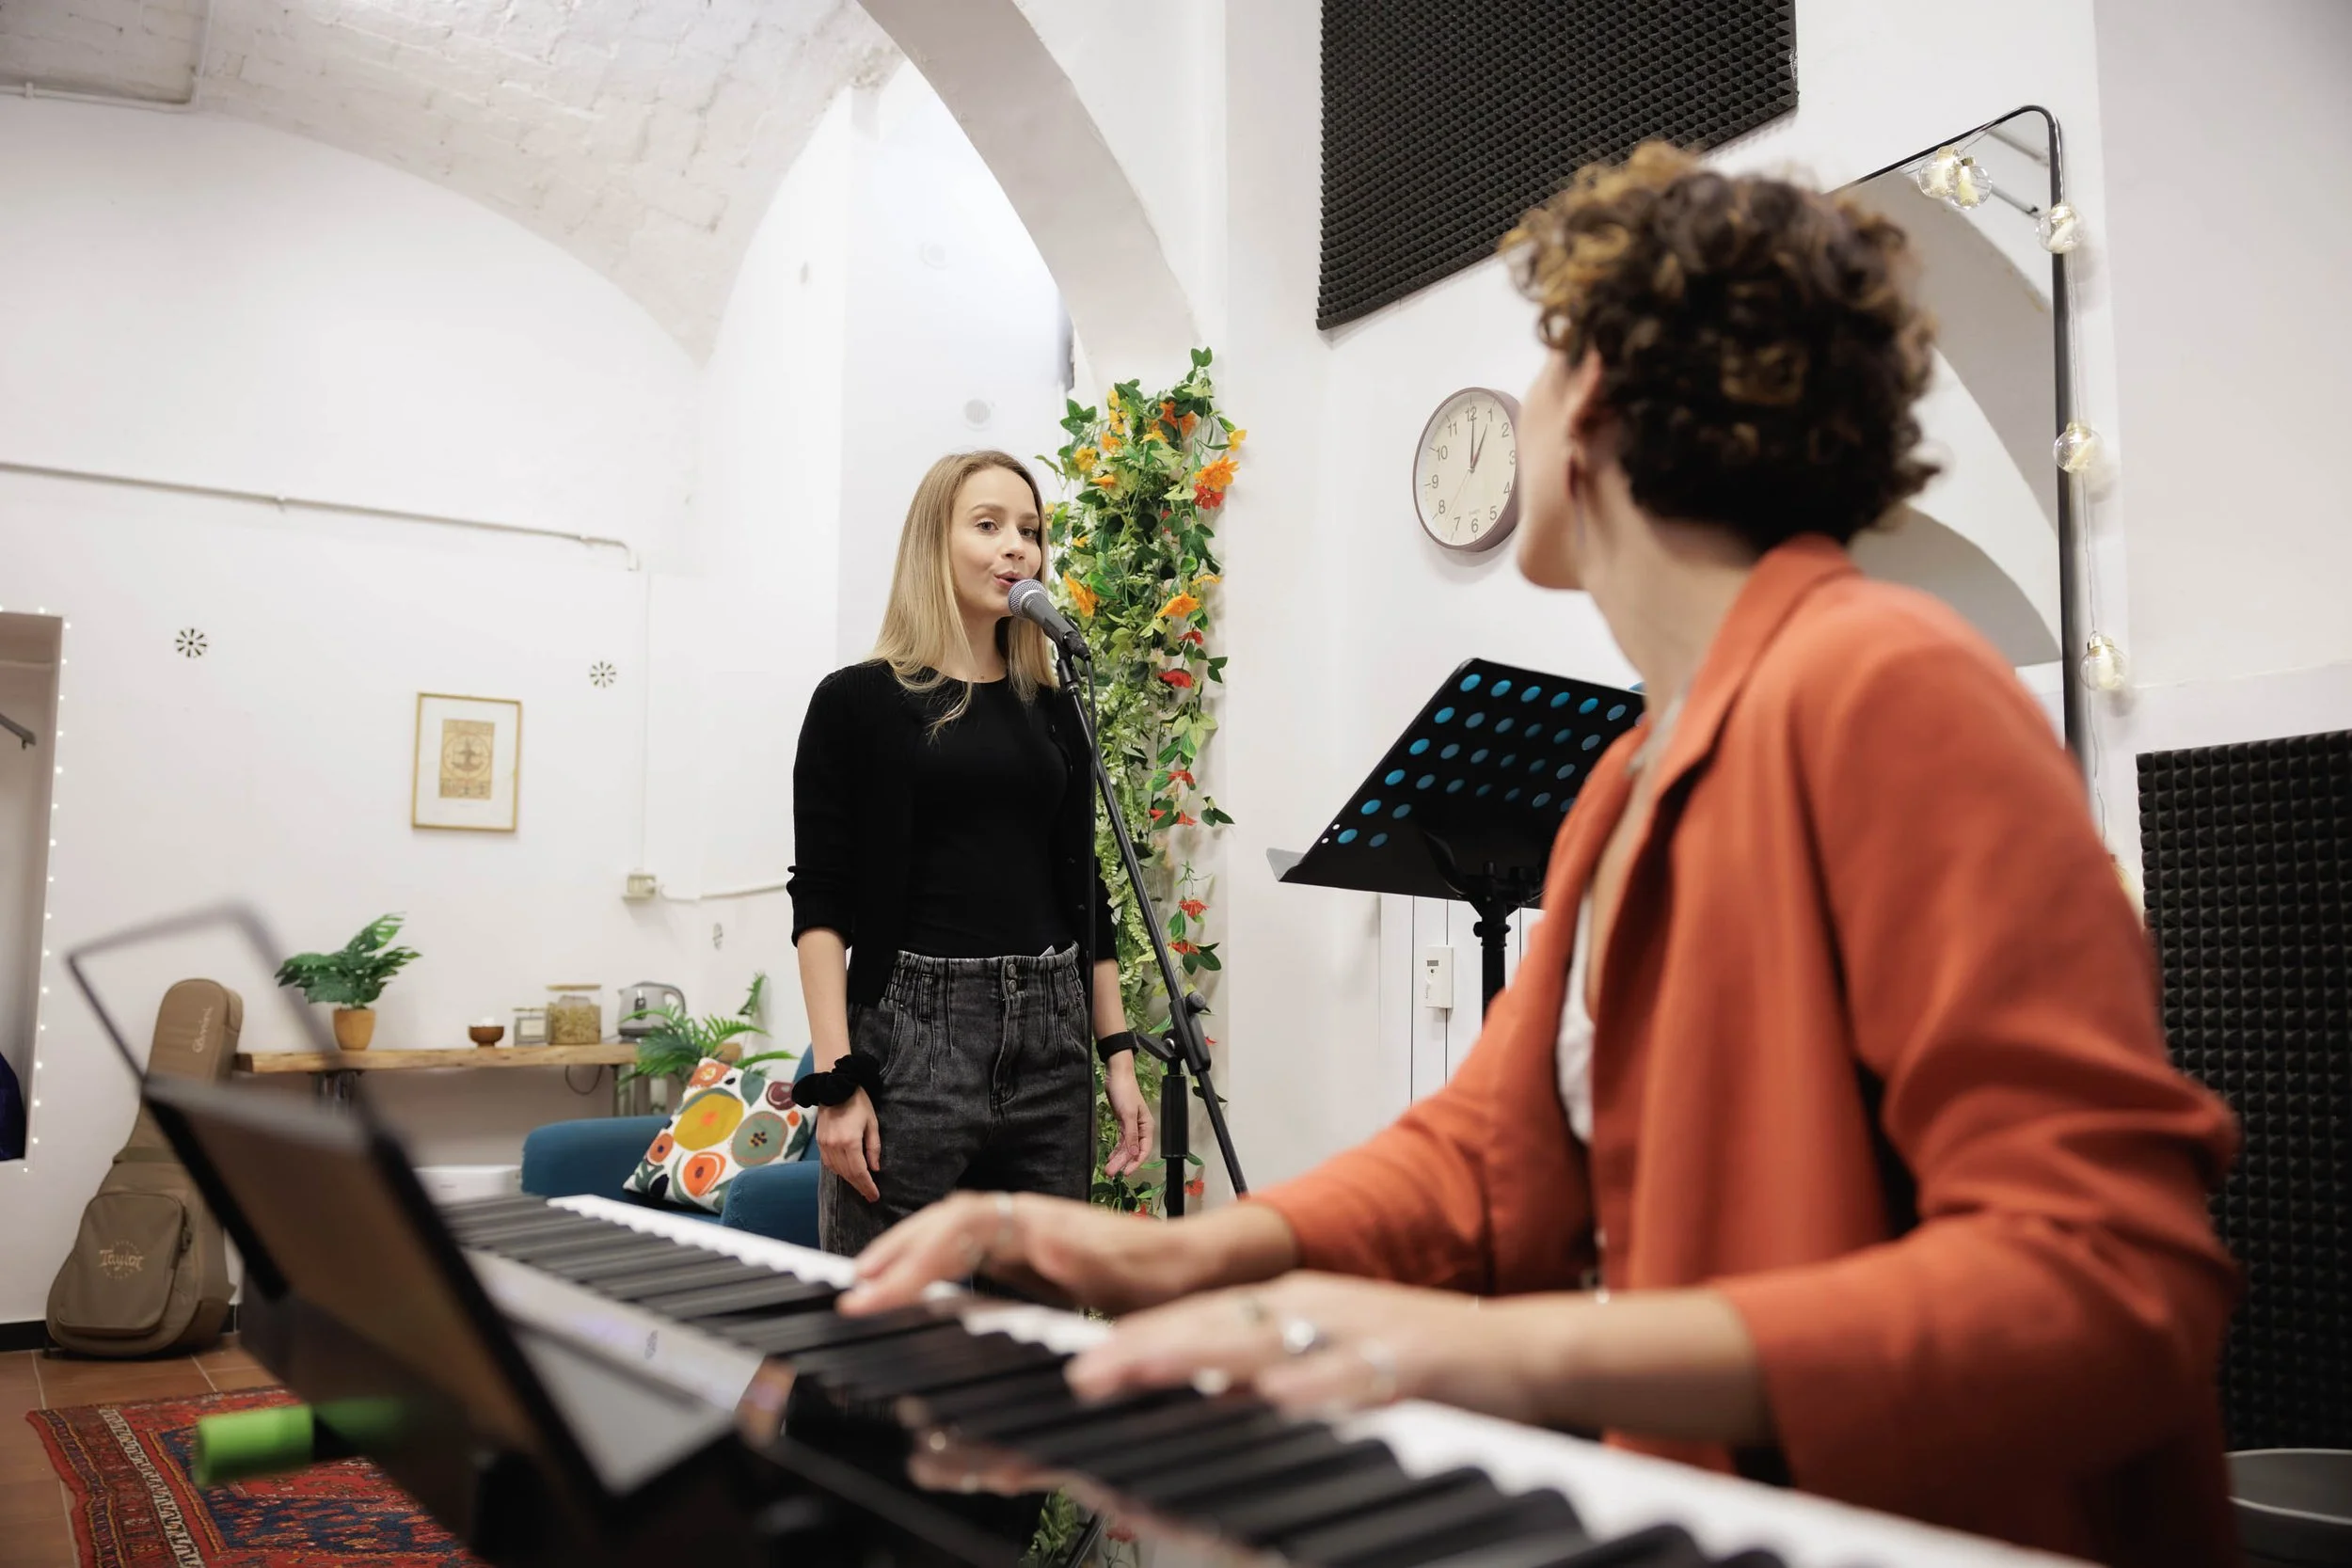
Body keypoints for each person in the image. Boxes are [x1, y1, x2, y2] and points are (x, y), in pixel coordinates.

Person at [834, 149, 2242, 1566]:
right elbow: (1488, 1158)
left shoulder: (1893, 689)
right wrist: (1189, 1251)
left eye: (1546, 363)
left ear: (1603, 403)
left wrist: (1480, 1352)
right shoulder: (1634, 772)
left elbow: (2106, 1280)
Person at [786, 449, 1153, 1261]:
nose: (1016, 546)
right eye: (987, 525)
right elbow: (821, 900)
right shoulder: (855, 702)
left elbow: (1084, 891)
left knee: (1041, 1316)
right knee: (885, 1315)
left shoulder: (1055, 708)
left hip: (1052, 1038)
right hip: (912, 1038)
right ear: (934, 542)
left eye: (1030, 530)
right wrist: (839, 1082)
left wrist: (1118, 1057)